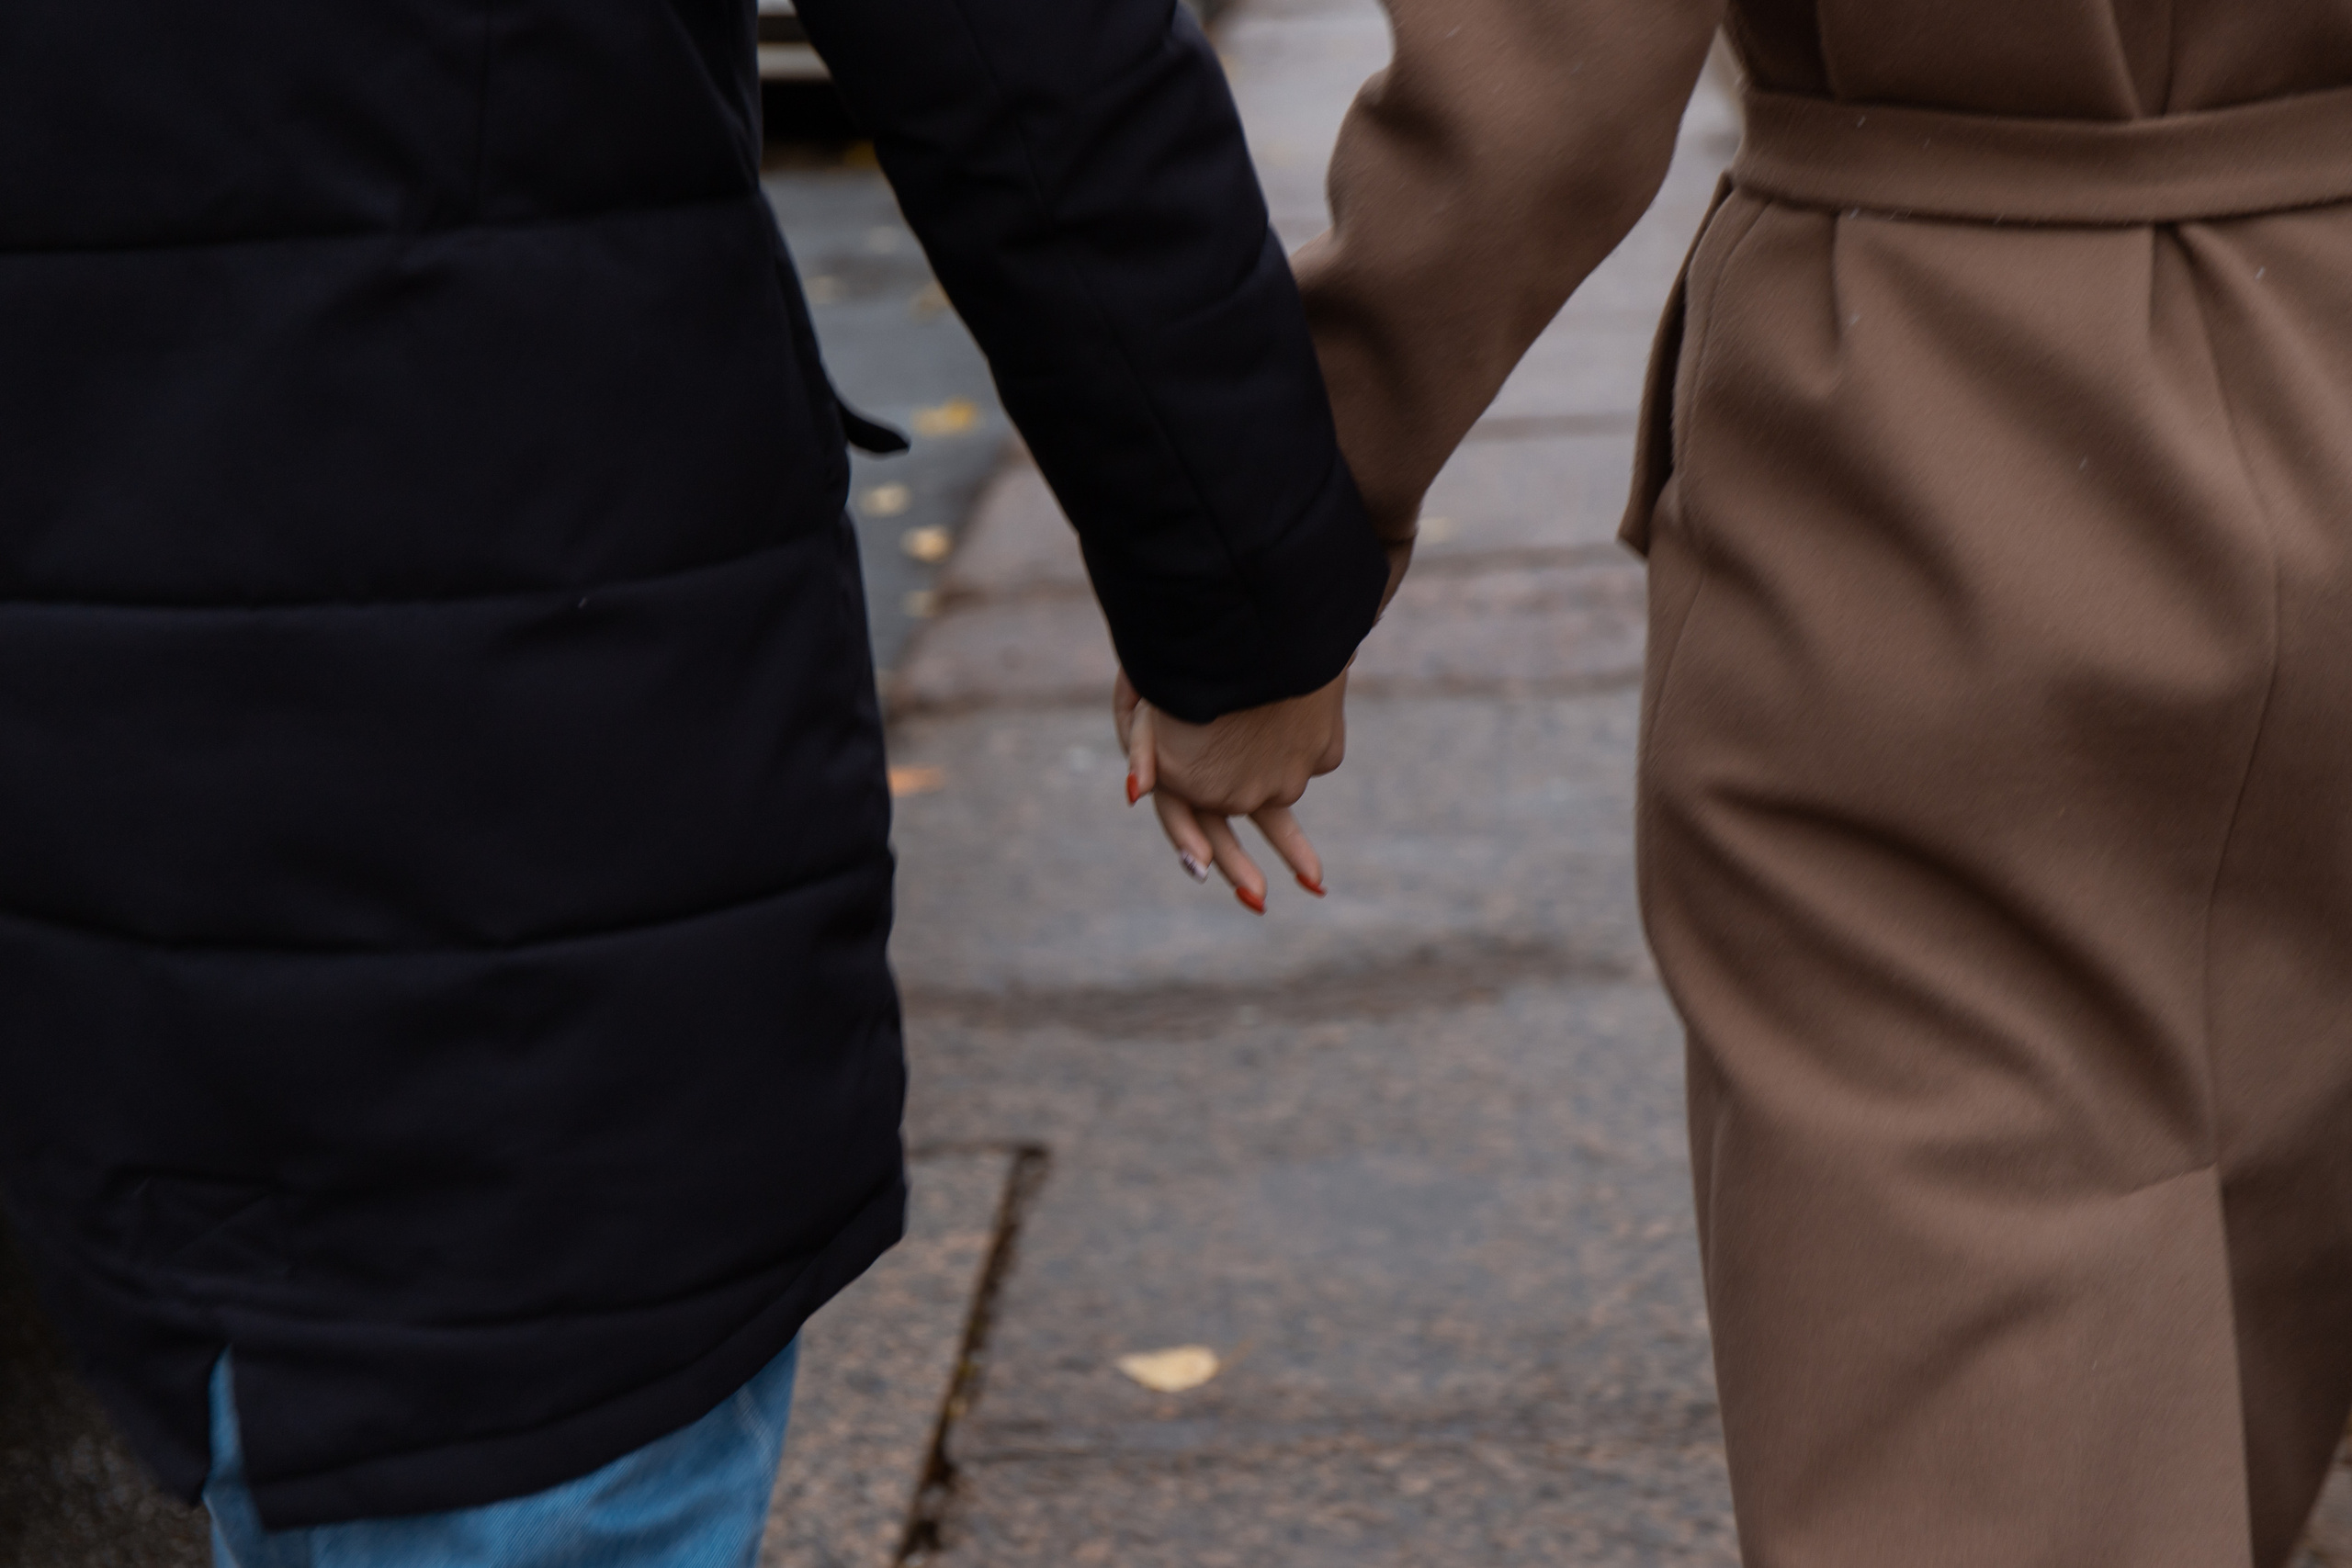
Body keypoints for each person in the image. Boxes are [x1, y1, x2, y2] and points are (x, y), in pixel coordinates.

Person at [0, 0, 1384, 1562]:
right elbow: (1012, 54)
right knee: (516, 1424)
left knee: (302, 1395)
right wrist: (1243, 601)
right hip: (527, 710)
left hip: (101, 704)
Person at [1216, 1, 2352, 1564]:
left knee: (1972, 1400)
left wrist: (1282, 525)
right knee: (2266, 1289)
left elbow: (1547, 83)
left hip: (1929, 434)